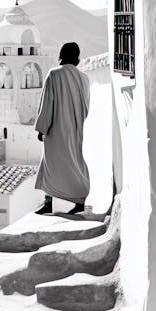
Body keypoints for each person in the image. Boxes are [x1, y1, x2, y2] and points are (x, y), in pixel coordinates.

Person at [34, 42, 90, 215]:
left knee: (51, 164)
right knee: (75, 162)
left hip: (56, 130)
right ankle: (80, 200)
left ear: (62, 55)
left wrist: (42, 128)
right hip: (75, 129)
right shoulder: (83, 78)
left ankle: (49, 202)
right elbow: (86, 106)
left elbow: (47, 104)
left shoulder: (54, 74)